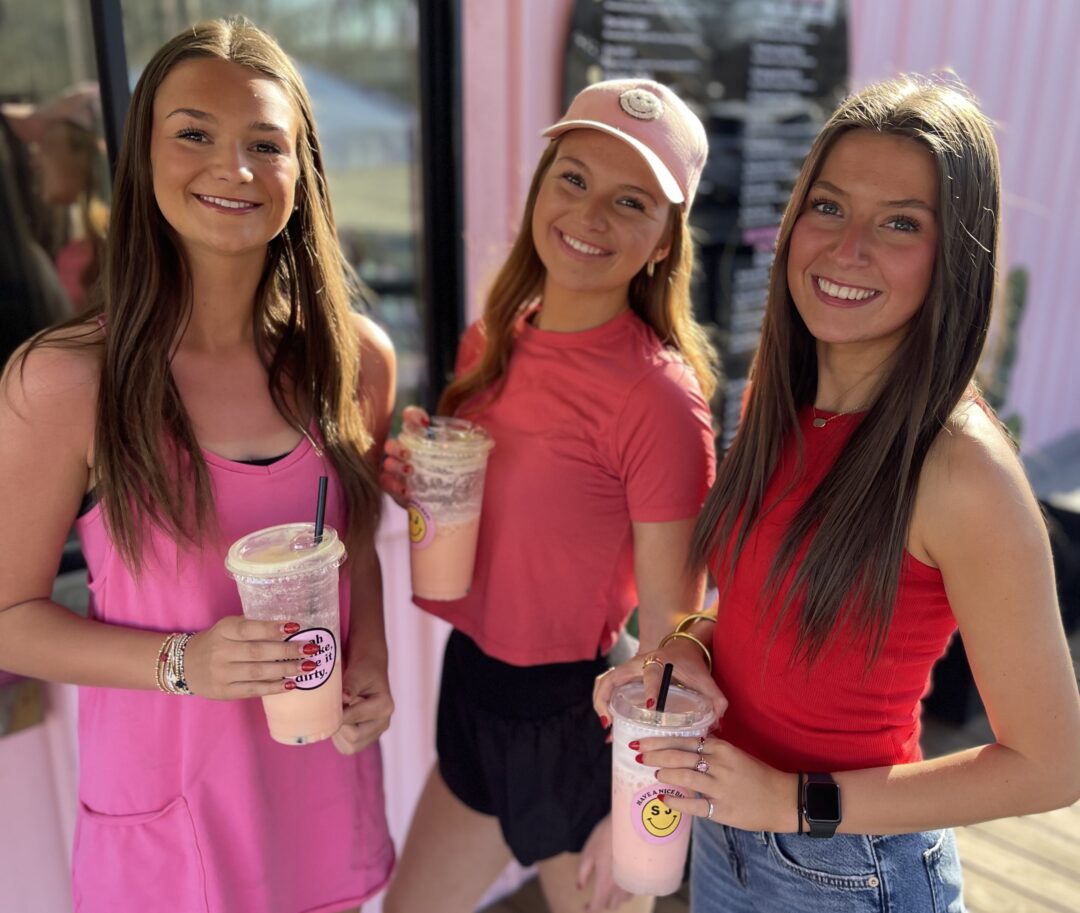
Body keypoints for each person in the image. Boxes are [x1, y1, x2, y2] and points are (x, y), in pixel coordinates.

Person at [595, 74, 1080, 912]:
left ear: (953, 253)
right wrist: (688, 648)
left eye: (900, 223)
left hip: (852, 872)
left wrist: (793, 801)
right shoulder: (779, 403)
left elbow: (1052, 762)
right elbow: (768, 608)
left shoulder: (961, 469)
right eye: (828, 207)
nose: (848, 246)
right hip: (725, 836)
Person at [0, 17, 396, 913]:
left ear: (304, 176)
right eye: (194, 134)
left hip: (320, 800)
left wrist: (367, 653)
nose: (236, 168)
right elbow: (7, 617)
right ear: (140, 158)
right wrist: (184, 662)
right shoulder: (64, 382)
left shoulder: (355, 362)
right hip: (168, 839)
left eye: (267, 143)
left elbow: (356, 543)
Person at [379, 80, 719, 913]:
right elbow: (503, 516)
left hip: (578, 721)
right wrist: (415, 477)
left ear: (664, 241)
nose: (590, 214)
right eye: (573, 179)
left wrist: (630, 806)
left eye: (630, 200)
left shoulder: (660, 400)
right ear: (541, 189)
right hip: (475, 689)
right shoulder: (494, 337)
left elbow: (680, 629)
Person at [3, 82, 109, 312]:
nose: (34, 159)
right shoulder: (77, 245)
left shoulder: (114, 247)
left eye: (46, 144)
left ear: (85, 155)